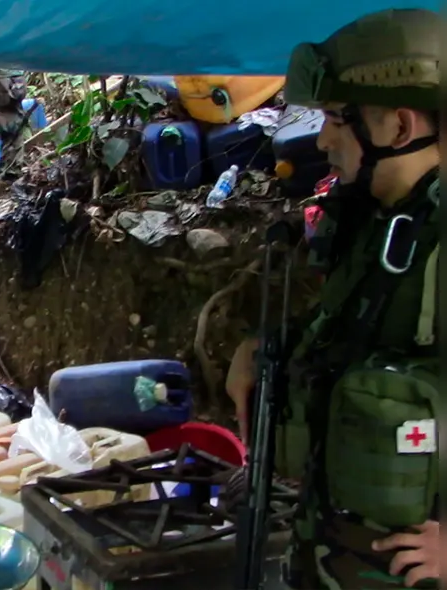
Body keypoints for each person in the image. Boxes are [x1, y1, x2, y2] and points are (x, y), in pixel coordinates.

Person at [225, 8, 440, 589]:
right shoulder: (377, 226)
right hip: (331, 551)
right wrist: (264, 348)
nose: (322, 140)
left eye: (338, 120)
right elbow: (353, 343)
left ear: (398, 127)